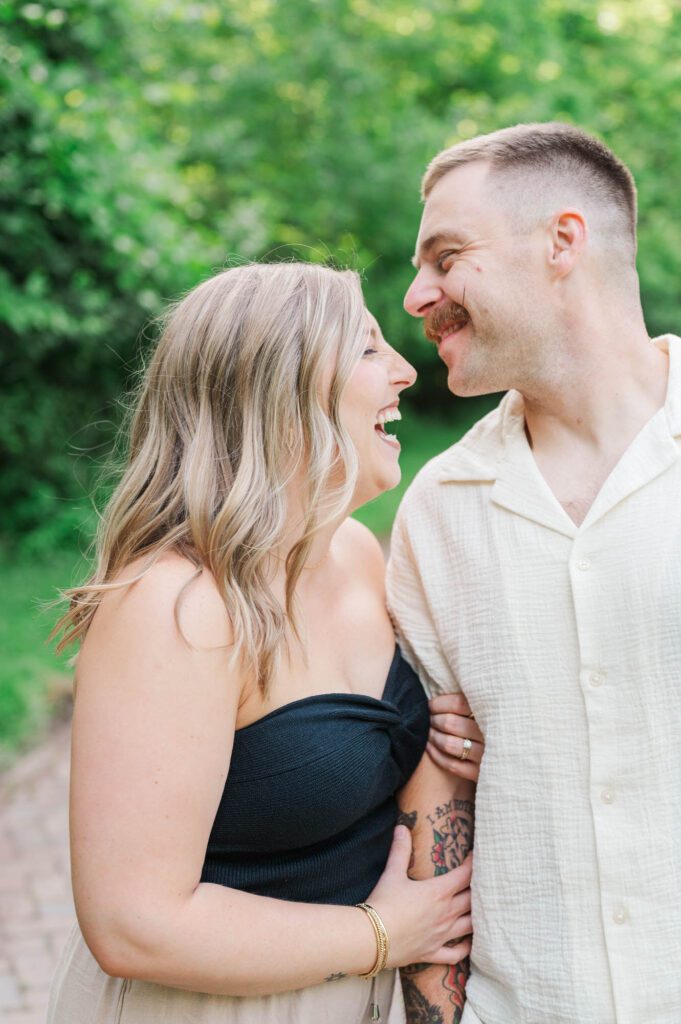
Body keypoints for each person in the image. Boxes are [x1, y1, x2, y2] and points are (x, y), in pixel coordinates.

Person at [47, 261, 477, 1024]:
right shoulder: (176, 604)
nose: (407, 371)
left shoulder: (351, 552)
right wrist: (380, 934)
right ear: (279, 389)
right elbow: (132, 926)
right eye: (370, 349)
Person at [387, 122, 681, 1024]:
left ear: (562, 241)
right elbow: (438, 805)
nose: (414, 295)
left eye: (446, 256)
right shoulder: (438, 511)